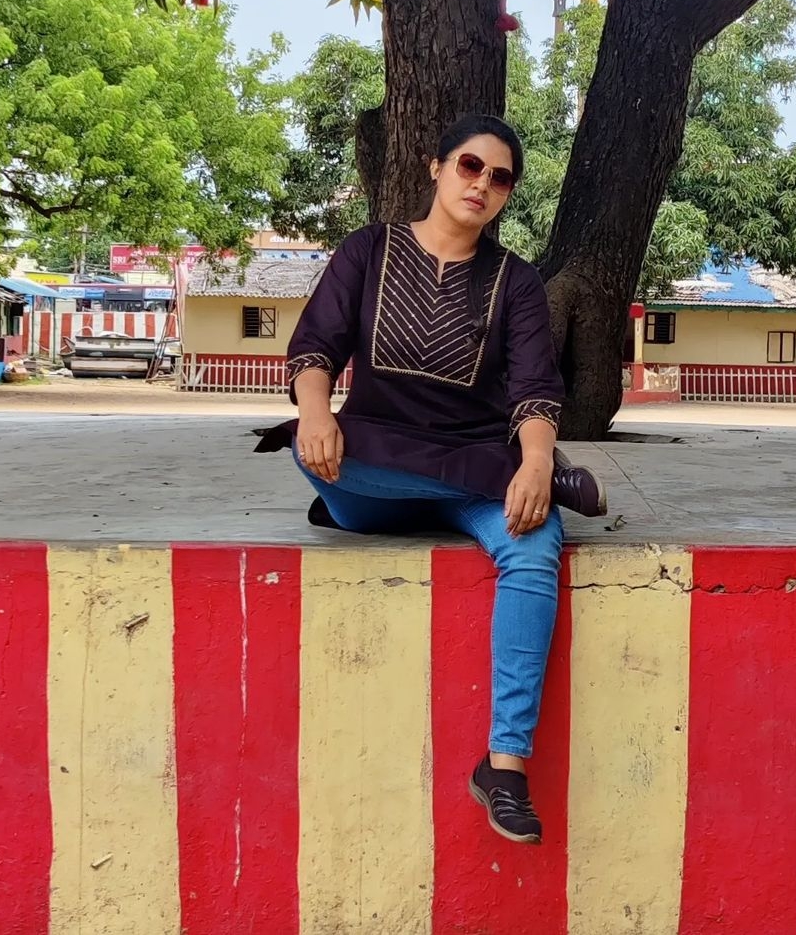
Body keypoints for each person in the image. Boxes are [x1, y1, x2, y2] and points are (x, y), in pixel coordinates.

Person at [255, 113, 605, 845]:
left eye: (500, 178)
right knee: (307, 444)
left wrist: (536, 461)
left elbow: (535, 392)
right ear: (436, 167)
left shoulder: (516, 283)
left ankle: (504, 766)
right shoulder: (368, 251)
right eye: (470, 166)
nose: (482, 184)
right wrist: (315, 412)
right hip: (370, 467)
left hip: (474, 459)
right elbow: (315, 347)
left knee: (534, 543)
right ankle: (519, 482)